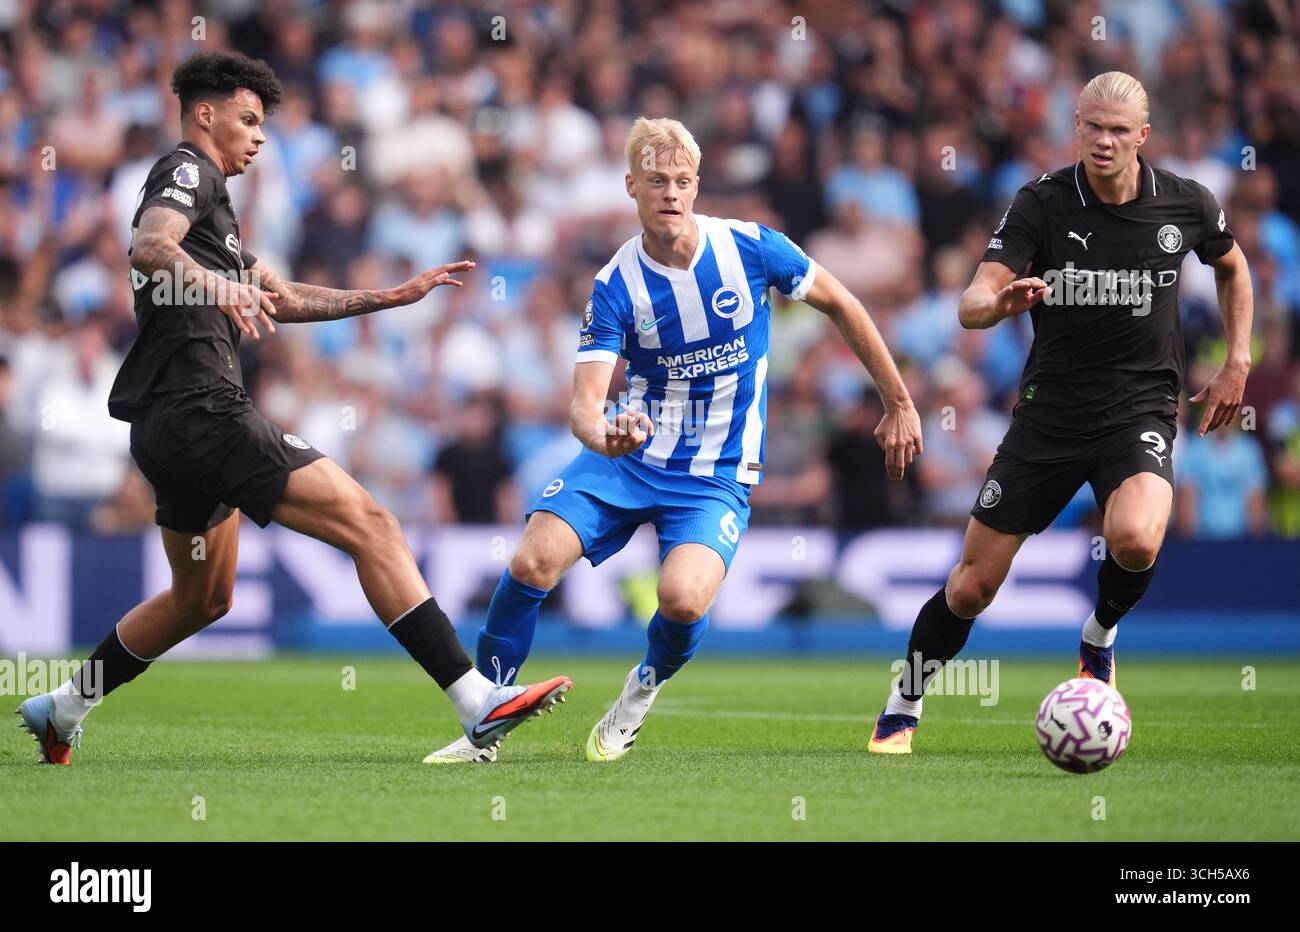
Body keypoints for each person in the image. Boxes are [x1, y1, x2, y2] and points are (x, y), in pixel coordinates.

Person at [17, 51, 570, 766]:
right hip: (202, 410)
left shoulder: (218, 211)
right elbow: (151, 245)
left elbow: (279, 296)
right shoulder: (187, 171)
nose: (258, 136)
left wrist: (389, 297)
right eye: (248, 119)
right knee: (373, 524)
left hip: (166, 428)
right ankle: (475, 700)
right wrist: (217, 289)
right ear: (205, 113)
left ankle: (62, 706)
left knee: (202, 600)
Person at [426, 117, 922, 764]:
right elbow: (582, 407)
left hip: (715, 470)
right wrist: (606, 435)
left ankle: (640, 690)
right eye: (656, 180)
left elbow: (845, 304)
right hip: (627, 460)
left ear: (697, 186)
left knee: (682, 601)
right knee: (529, 563)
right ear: (630, 185)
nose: (670, 193)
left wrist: (900, 401)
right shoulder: (614, 286)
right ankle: (484, 720)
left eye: (682, 181)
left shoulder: (751, 248)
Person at [867, 72, 1253, 754]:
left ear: (1143, 136)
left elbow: (1232, 266)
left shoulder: (1185, 204)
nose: (1102, 141)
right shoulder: (1042, 204)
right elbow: (970, 303)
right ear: (1077, 126)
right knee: (974, 586)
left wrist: (1237, 359)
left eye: (1117, 130)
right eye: (1091, 127)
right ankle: (908, 692)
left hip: (1139, 406)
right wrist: (1000, 305)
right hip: (1049, 417)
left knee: (1135, 538)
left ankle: (1100, 634)